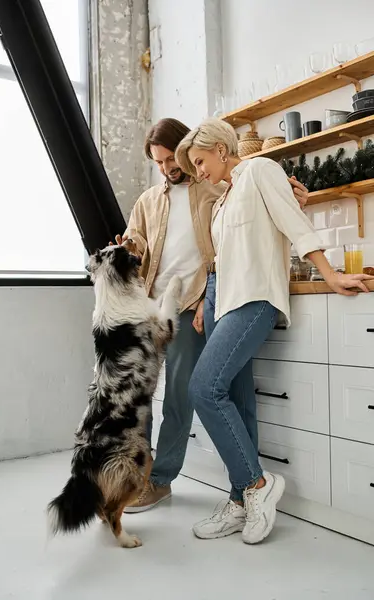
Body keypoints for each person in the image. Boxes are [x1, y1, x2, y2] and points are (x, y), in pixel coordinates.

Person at [175, 117, 373, 545]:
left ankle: (257, 485)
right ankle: (240, 500)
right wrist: (203, 303)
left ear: (221, 149)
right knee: (238, 404)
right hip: (222, 302)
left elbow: (292, 225)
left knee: (204, 389)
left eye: (200, 160)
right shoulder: (224, 200)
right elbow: (227, 257)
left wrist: (331, 274)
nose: (199, 171)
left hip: (255, 300)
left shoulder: (260, 170)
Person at [118, 118, 309, 513]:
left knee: (180, 397)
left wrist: (291, 192)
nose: (166, 168)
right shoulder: (148, 200)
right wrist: (129, 246)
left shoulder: (213, 187)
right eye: (157, 162)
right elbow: (135, 238)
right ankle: (136, 473)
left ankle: (161, 479)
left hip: (190, 306)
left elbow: (254, 196)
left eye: (171, 158)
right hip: (152, 306)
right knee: (139, 398)